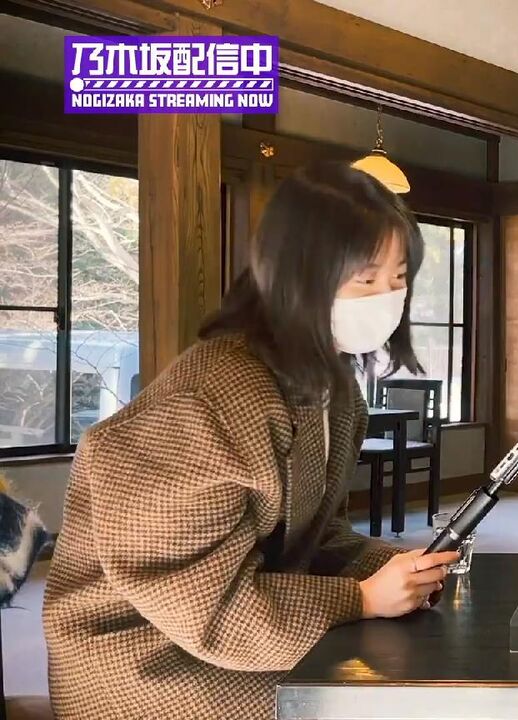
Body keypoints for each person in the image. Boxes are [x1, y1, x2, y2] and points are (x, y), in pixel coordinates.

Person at [43, 162, 459, 719]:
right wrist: (360, 598)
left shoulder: (333, 389)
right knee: (373, 702)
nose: (387, 297)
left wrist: (399, 568)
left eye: (399, 277)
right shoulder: (209, 399)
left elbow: (318, 536)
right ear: (298, 276)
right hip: (141, 659)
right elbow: (200, 603)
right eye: (366, 279)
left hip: (236, 631)